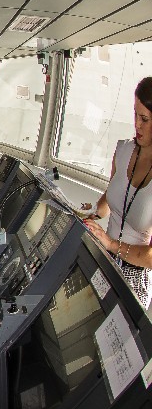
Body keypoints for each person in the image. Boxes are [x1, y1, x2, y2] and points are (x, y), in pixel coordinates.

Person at [84, 76, 152, 308]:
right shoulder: (123, 150)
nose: (137, 124)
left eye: (144, 118)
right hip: (104, 259)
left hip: (134, 275)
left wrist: (112, 244)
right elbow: (111, 197)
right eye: (135, 114)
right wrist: (91, 214)